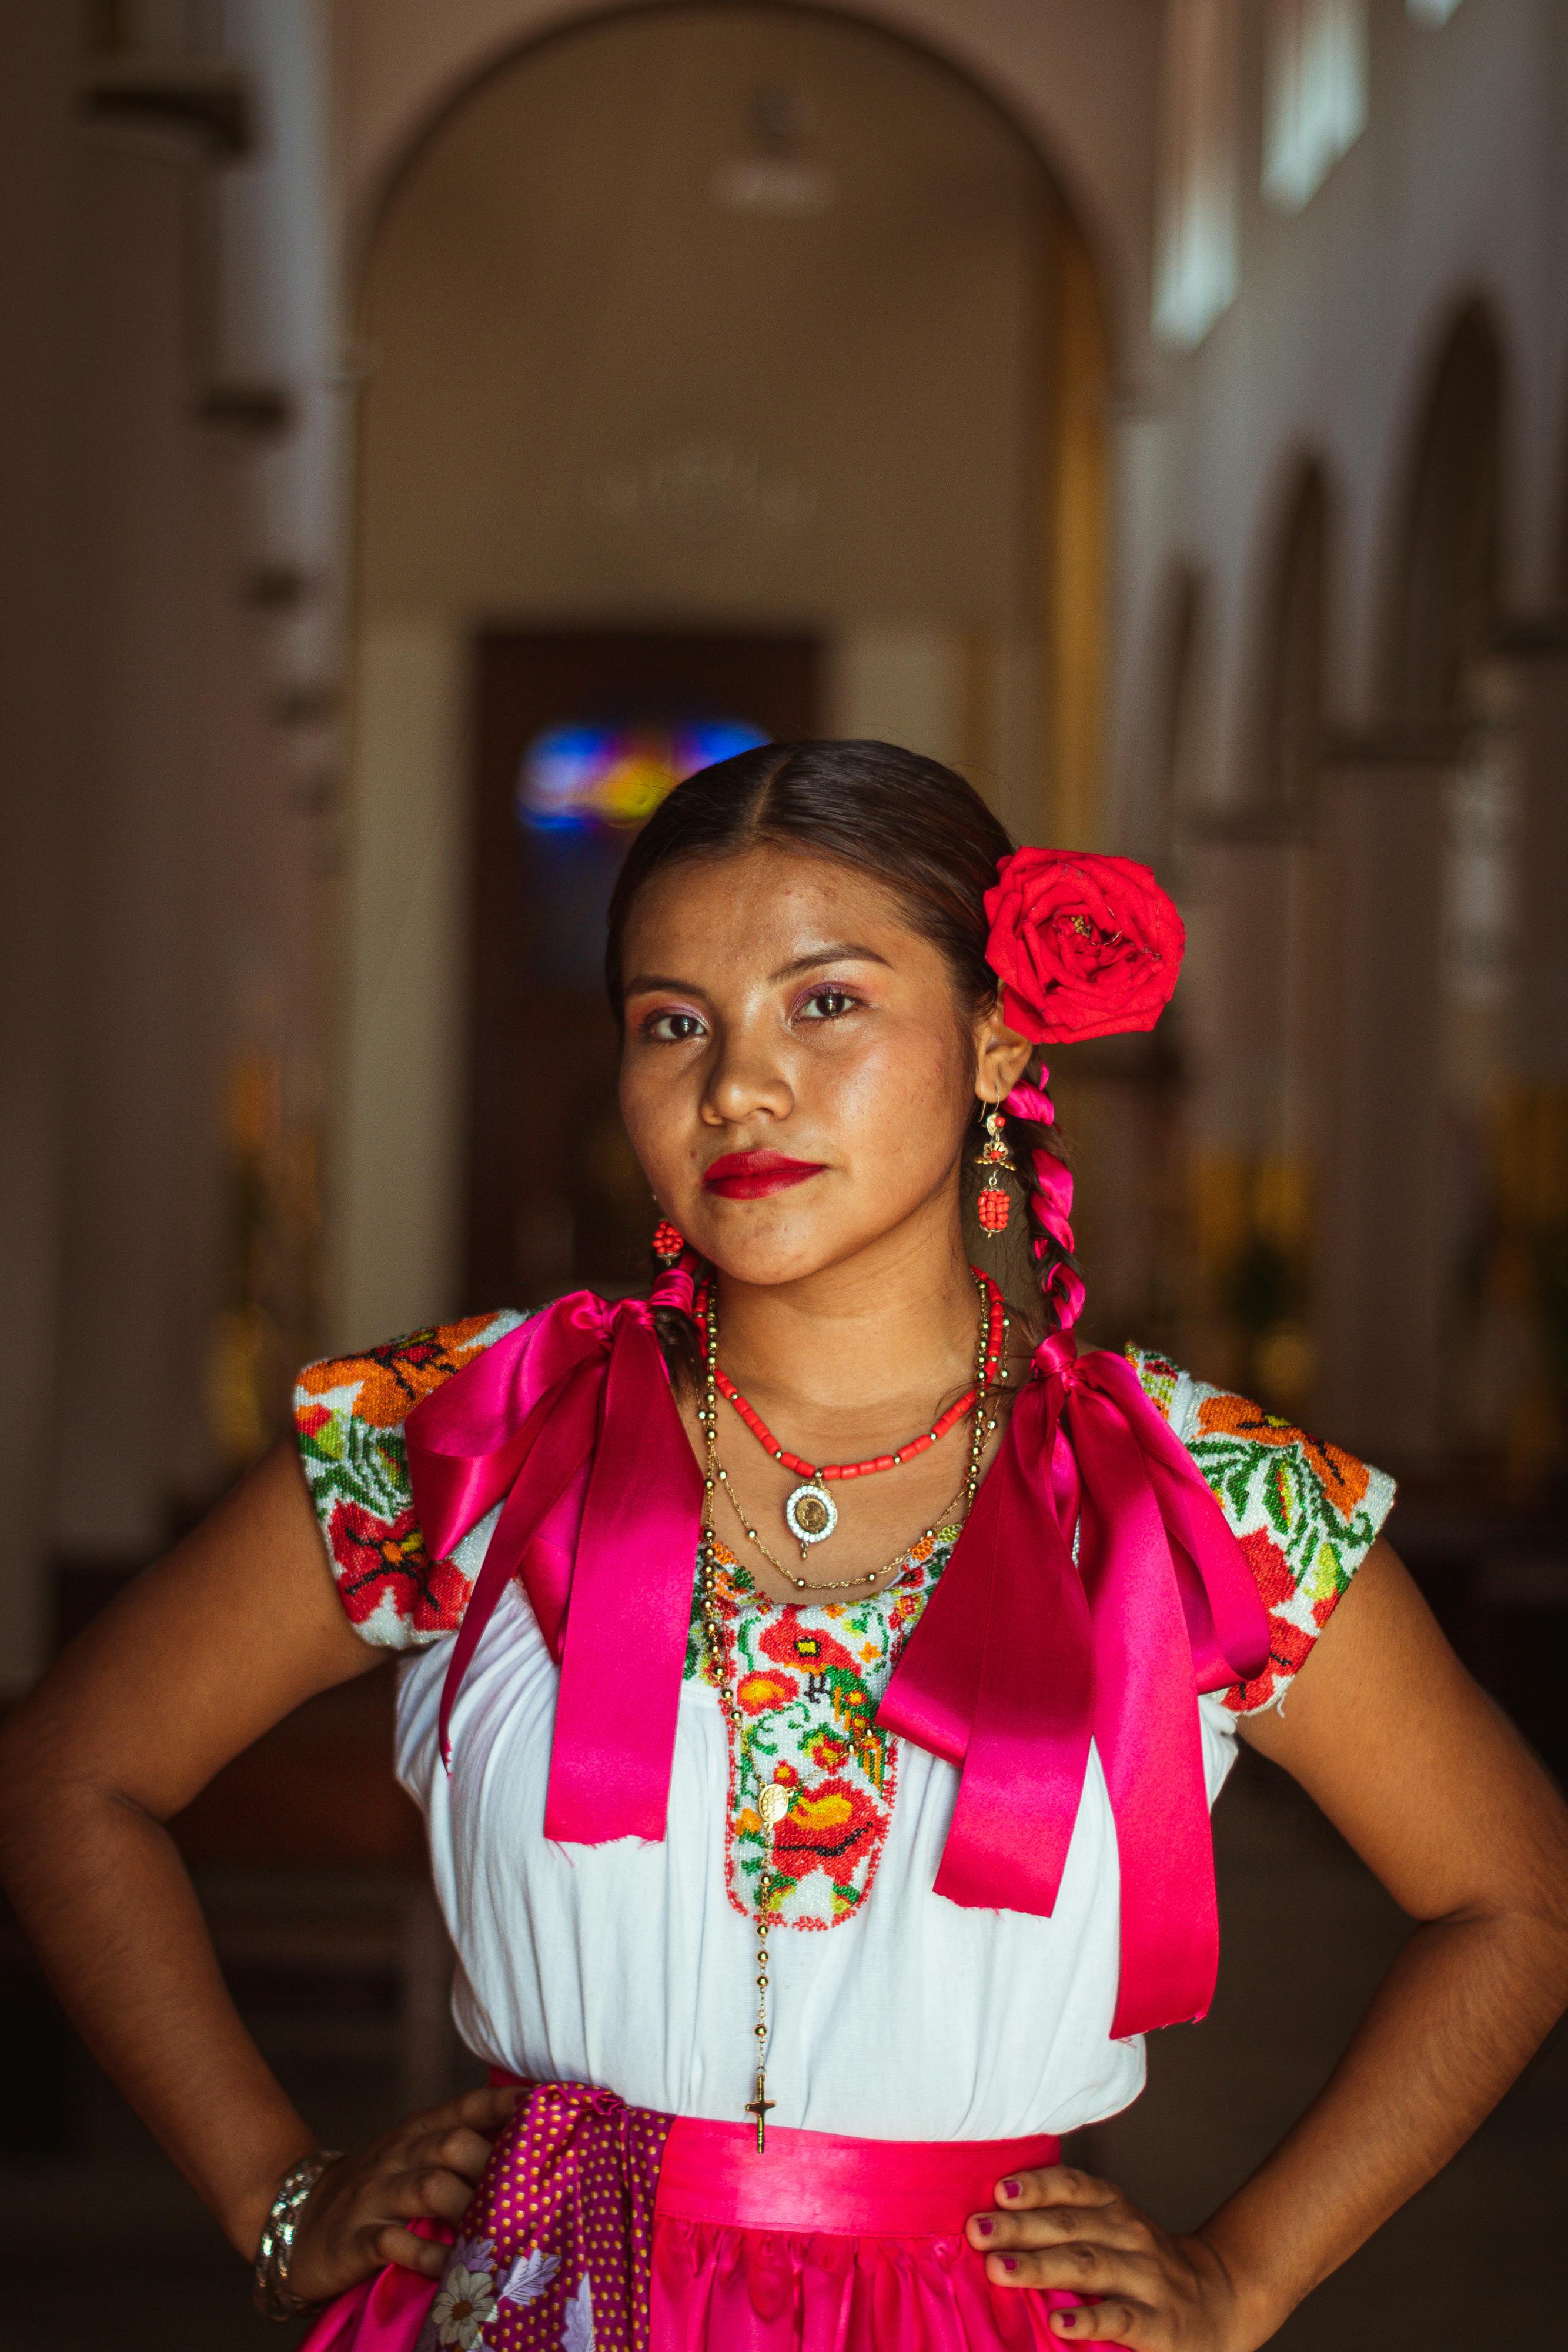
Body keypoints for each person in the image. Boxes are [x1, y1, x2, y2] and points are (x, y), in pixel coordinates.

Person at [4, 740, 1567, 2352]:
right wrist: (275, 2188)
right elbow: (68, 1775)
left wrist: (1245, 2275)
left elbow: (1516, 1900)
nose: (738, 1085)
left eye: (825, 1002)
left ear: (992, 1035)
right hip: (535, 2308)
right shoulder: (467, 1435)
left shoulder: (1201, 1497)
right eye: (672, 1022)